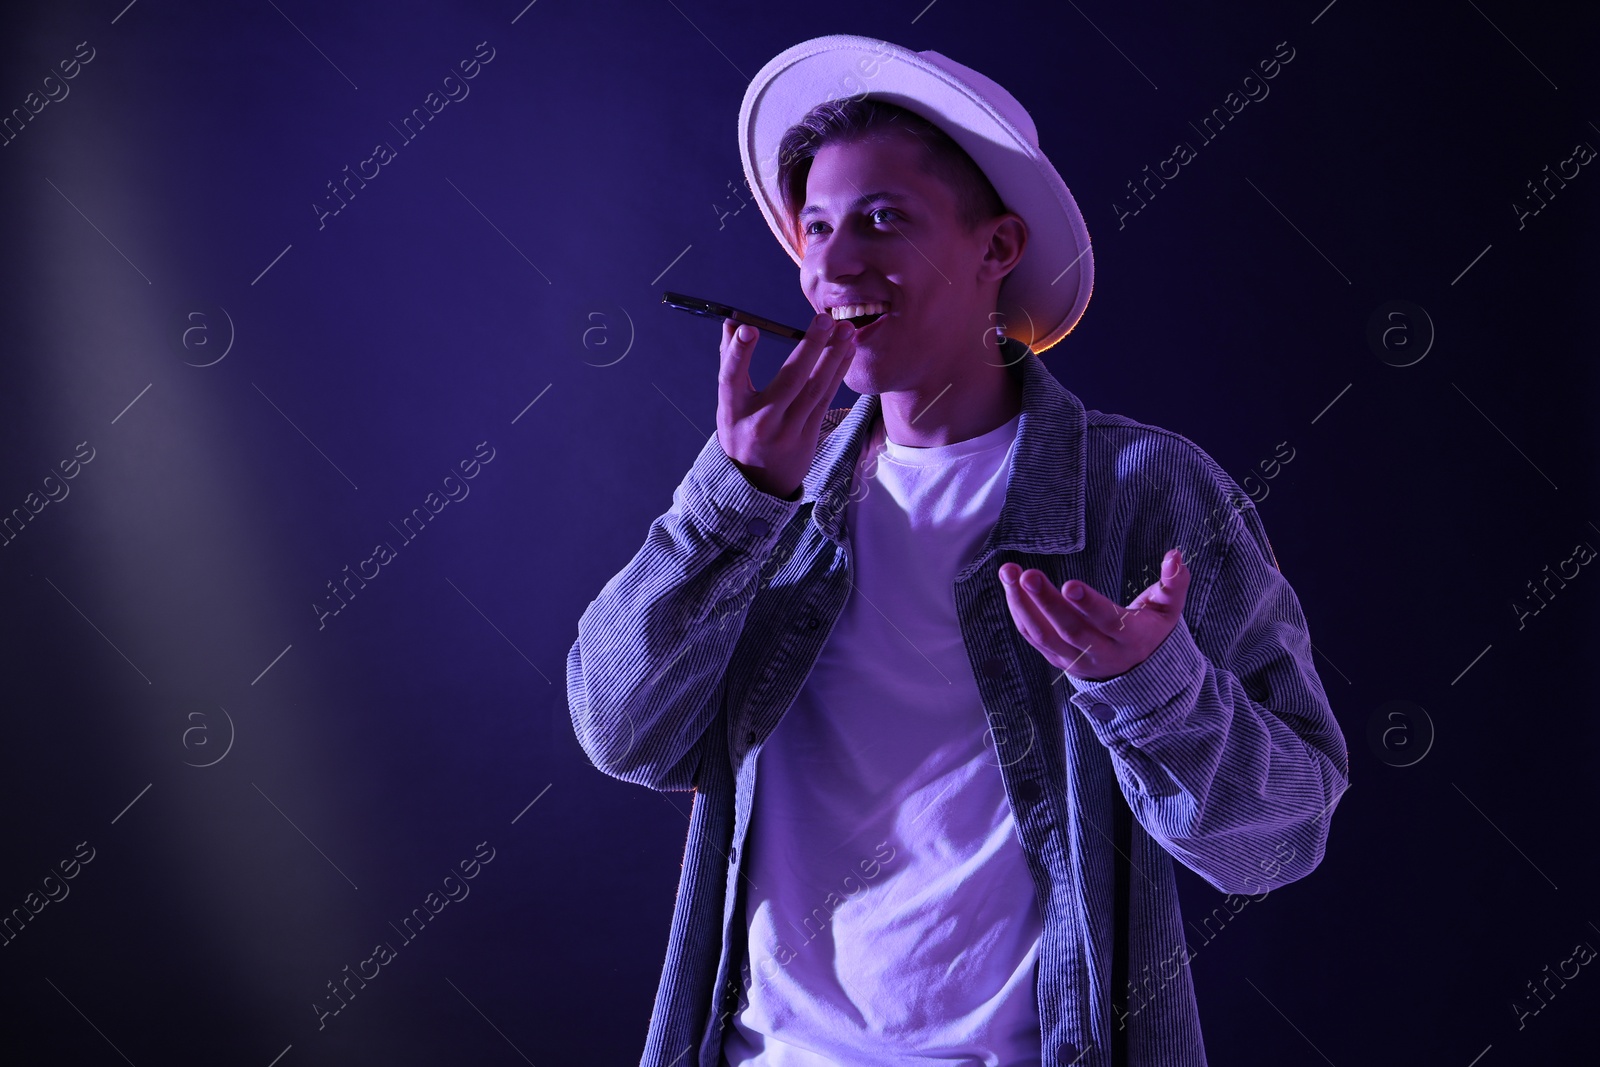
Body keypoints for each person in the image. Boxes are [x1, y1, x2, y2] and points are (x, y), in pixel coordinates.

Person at [566, 34, 1350, 1067]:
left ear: (995, 250)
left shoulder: (1144, 491)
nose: (833, 264)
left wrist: (1150, 684)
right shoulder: (767, 497)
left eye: (883, 220)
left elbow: (1279, 839)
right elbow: (621, 733)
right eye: (816, 226)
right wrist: (733, 503)